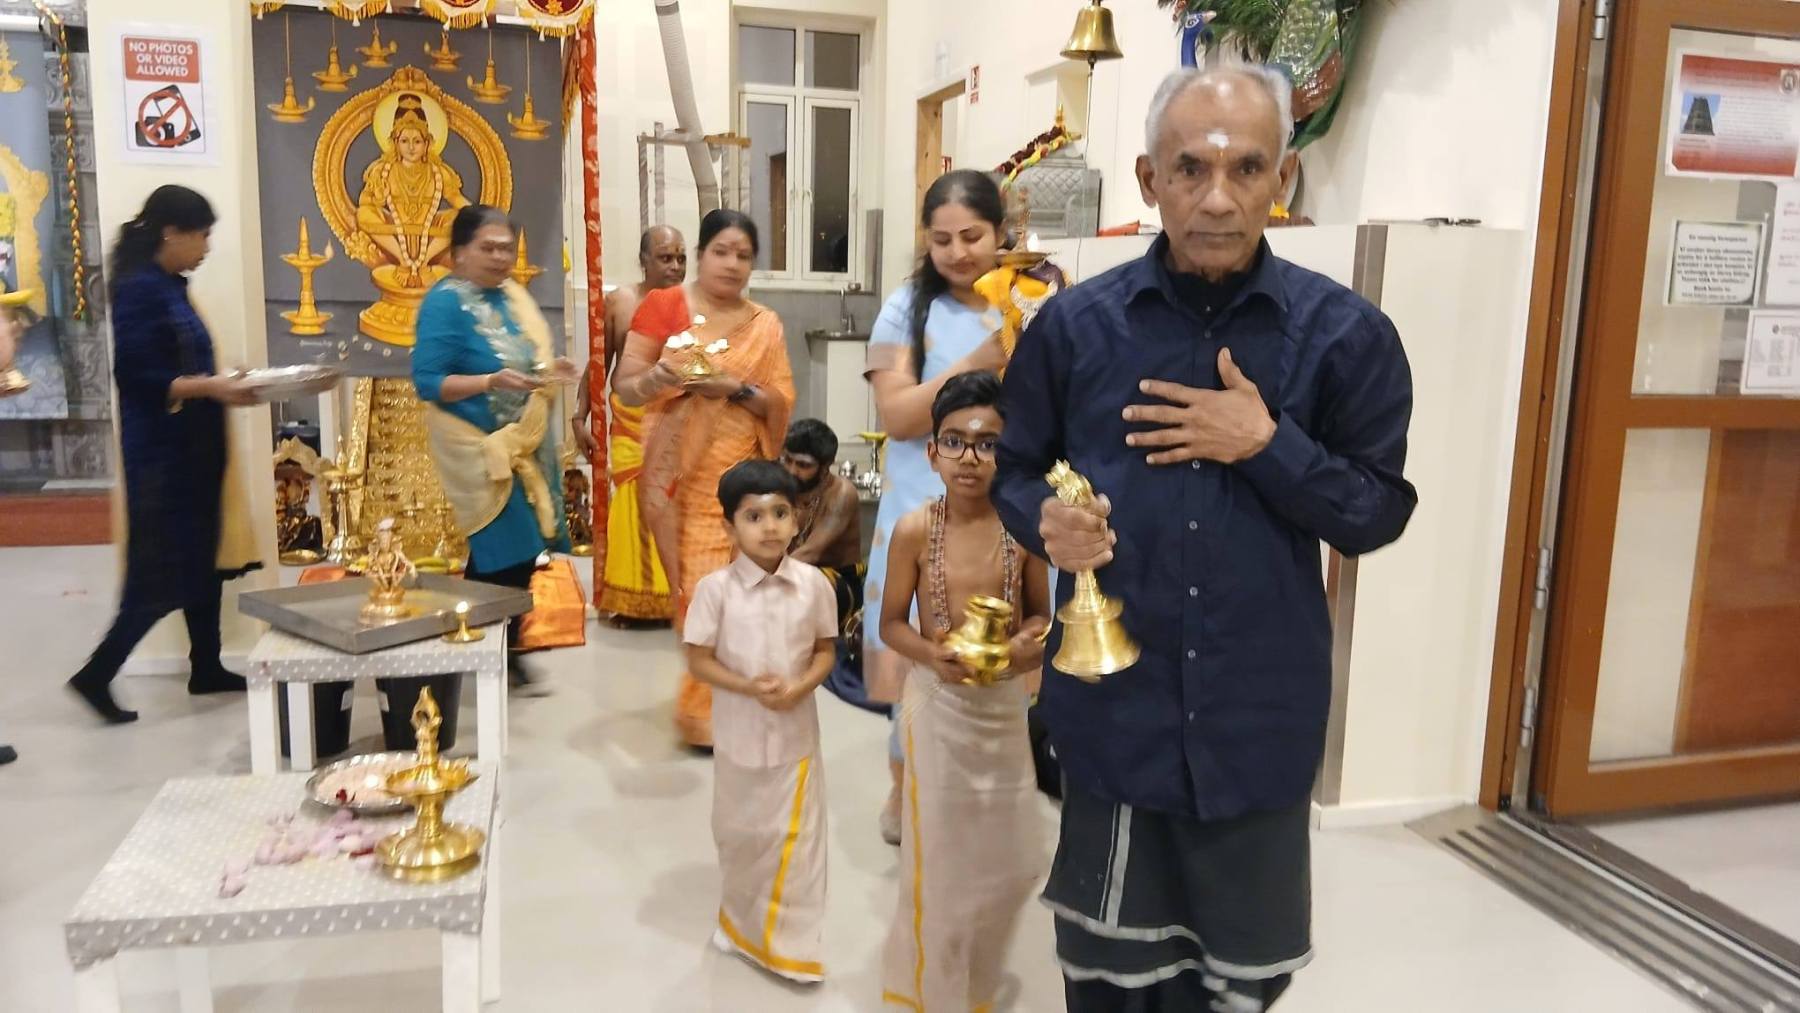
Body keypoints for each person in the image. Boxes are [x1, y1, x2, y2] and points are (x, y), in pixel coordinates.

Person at [993, 67, 1417, 1012]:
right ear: (1150, 180)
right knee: (1109, 979)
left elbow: (1376, 511)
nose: (1217, 198)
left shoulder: (1345, 337)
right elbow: (1016, 470)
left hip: (1255, 721)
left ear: (1284, 179)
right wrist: (1046, 523)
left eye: (1246, 168)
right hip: (1116, 718)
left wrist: (1267, 444)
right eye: (1190, 168)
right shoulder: (1074, 330)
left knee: (1245, 982)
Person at [879, 371, 1051, 1011]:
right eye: (954, 441)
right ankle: (936, 993)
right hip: (939, 706)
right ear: (932, 452)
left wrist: (1026, 643)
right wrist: (934, 654)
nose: (970, 458)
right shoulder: (915, 530)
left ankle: (977, 982)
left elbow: (1042, 615)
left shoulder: (1023, 531)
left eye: (988, 443)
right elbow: (891, 624)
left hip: (1002, 707)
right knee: (943, 863)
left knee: (1013, 860)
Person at [67, 185, 261, 724]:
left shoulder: (169, 286)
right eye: (202, 235)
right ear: (171, 233)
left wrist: (227, 382)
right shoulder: (139, 289)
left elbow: (187, 365)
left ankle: (207, 666)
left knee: (204, 562)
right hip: (163, 456)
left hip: (193, 448)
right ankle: (96, 675)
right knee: (159, 574)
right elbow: (137, 376)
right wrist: (213, 387)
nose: (206, 247)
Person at [864, 168, 1009, 843]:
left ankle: (983, 797)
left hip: (1004, 514)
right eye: (942, 239)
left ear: (1001, 232)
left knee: (997, 662)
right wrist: (985, 359)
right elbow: (897, 415)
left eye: (972, 236)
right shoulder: (905, 309)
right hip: (922, 516)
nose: (957, 252)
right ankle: (904, 791)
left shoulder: (1028, 301)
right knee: (923, 663)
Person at [614, 209, 795, 749]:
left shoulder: (765, 323)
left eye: (744, 255)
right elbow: (626, 386)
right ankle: (703, 712)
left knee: (752, 596)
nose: (732, 264)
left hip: (747, 482)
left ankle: (746, 701)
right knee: (702, 593)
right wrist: (657, 377)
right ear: (700, 255)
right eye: (721, 251)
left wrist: (731, 388)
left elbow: (779, 401)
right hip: (684, 482)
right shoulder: (665, 305)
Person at [682, 460, 836, 984]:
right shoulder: (715, 590)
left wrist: (801, 686)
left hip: (796, 739)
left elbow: (825, 650)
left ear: (798, 518)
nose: (769, 527)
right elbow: (698, 660)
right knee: (742, 836)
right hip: (739, 738)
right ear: (729, 526)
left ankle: (793, 949)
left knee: (797, 841)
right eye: (753, 516)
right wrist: (748, 687)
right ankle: (739, 925)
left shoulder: (814, 585)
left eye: (780, 513)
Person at [413, 205, 573, 695]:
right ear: (459, 252)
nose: (501, 257)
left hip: (520, 443)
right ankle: (494, 651)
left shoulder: (511, 296)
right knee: (504, 550)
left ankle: (493, 646)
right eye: (489, 247)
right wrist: (489, 381)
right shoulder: (444, 303)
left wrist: (549, 371)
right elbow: (428, 382)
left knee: (514, 555)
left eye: (506, 248)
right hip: (476, 447)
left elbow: (524, 362)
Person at [572, 225, 687, 624]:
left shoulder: (694, 305)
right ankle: (634, 599)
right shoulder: (620, 302)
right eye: (665, 258)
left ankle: (676, 598)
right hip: (631, 420)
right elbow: (598, 364)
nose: (675, 266)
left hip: (677, 422)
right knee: (634, 502)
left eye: (681, 258)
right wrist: (579, 417)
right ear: (643, 261)